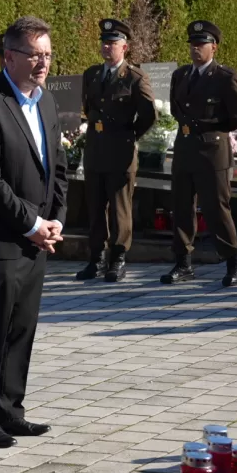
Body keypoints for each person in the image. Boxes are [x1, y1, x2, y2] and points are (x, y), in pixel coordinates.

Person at [0, 16, 67, 448]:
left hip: (39, 239)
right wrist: (30, 223)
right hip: (3, 241)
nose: (42, 62)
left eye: (46, 54)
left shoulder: (44, 102)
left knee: (23, 327)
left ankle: (11, 410)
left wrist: (56, 218)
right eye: (33, 54)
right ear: (9, 56)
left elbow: (56, 166)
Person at [164, 21, 237, 287]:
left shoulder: (225, 77)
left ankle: (233, 259)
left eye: (201, 44)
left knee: (216, 209)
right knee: (181, 208)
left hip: (213, 152)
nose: (195, 49)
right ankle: (183, 262)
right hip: (185, 149)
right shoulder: (180, 75)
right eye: (192, 44)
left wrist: (215, 131)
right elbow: (176, 110)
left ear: (213, 47)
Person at [77, 19, 157, 282]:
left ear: (125, 47)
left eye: (112, 43)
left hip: (120, 152)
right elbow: (89, 109)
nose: (106, 47)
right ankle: (97, 258)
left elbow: (148, 115)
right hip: (96, 150)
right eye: (104, 42)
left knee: (120, 207)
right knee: (96, 206)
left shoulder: (134, 77)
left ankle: (118, 257)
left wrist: (130, 135)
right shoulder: (91, 74)